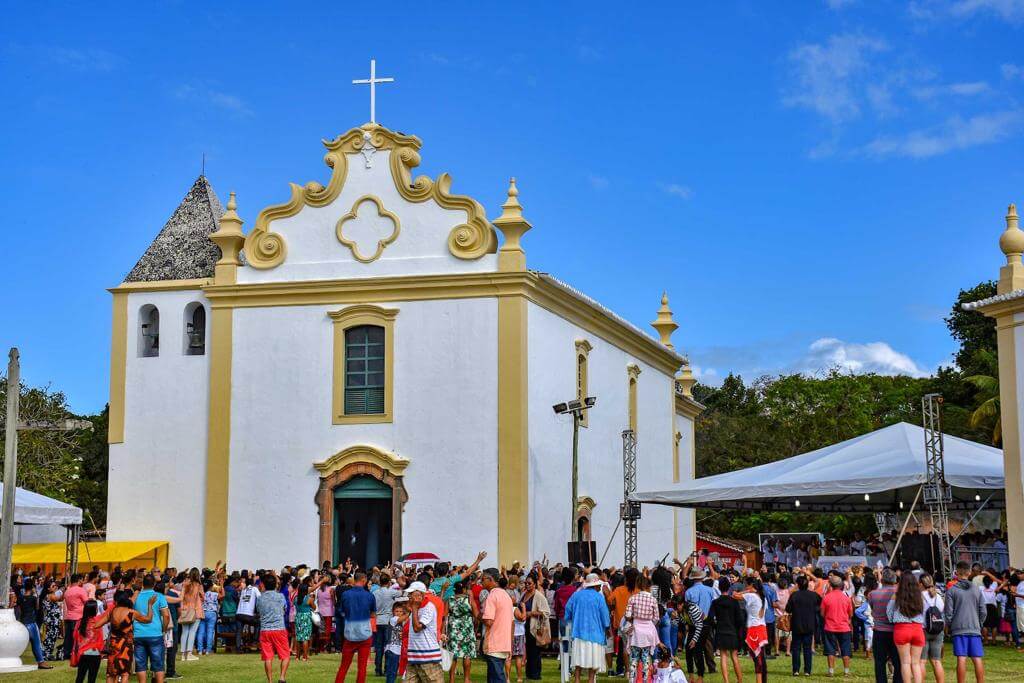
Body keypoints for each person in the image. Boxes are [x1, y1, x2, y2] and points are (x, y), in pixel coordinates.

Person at [563, 573, 611, 683]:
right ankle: (590, 680)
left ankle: (577, 680)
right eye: (598, 585)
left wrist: (570, 618)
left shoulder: (576, 595)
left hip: (579, 631)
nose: (599, 587)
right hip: (595, 633)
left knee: (578, 659)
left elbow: (568, 610)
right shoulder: (599, 597)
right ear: (594, 585)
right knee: (594, 660)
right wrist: (607, 628)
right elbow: (605, 616)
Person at [945, 561, 986, 683]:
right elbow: (983, 611)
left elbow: (948, 613)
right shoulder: (977, 590)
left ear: (956, 573)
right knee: (977, 658)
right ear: (969, 573)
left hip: (958, 628)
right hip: (974, 627)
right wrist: (979, 623)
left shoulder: (951, 591)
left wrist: (950, 625)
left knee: (961, 658)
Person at [108, 589, 158, 683]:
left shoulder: (111, 612)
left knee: (111, 672)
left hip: (113, 645)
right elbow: (148, 619)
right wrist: (150, 605)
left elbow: (96, 625)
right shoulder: (131, 612)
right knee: (125, 673)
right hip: (126, 646)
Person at [336, 571, 377, 683]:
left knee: (344, 667)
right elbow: (373, 615)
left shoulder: (346, 594)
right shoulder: (370, 596)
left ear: (354, 580)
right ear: (364, 580)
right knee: (362, 668)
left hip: (350, 633)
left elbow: (341, 611)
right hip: (365, 634)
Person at [888, 573, 926, 683]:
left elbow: (889, 615)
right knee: (916, 663)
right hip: (917, 629)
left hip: (901, 629)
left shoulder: (896, 596)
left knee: (905, 662)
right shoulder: (920, 596)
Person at [133, 573, 171, 683]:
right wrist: (163, 629)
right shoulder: (159, 596)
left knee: (140, 664)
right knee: (158, 664)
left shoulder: (137, 597)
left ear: (143, 584)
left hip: (139, 634)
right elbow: (166, 616)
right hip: (155, 633)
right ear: (154, 584)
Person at [406, 580, 444, 683]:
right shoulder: (417, 608)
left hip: (428, 657)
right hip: (414, 656)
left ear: (420, 595)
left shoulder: (429, 608)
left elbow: (417, 628)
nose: (409, 596)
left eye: (411, 594)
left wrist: (414, 608)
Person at [868, 568, 902, 683]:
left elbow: (872, 608)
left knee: (879, 662)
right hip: (895, 630)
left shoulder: (873, 594)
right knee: (898, 661)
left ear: (882, 580)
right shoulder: (899, 593)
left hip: (879, 631)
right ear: (894, 580)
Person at [624, 574, 660, 683]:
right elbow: (657, 618)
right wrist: (649, 623)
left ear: (638, 585)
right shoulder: (653, 599)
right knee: (646, 658)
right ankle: (645, 680)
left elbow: (627, 615)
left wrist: (633, 620)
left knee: (634, 658)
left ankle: (631, 680)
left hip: (636, 630)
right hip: (648, 630)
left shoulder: (633, 598)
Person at [480, 568, 514, 683]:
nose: (481, 581)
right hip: (503, 642)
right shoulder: (505, 595)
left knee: (497, 679)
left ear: (490, 580)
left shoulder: (492, 596)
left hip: (494, 643)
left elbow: (489, 621)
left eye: (483, 579)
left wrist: (479, 615)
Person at [709, 577, 746, 683]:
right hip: (732, 631)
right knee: (734, 656)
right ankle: (739, 680)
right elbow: (740, 619)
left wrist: (716, 626)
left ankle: (726, 681)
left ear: (719, 588)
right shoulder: (734, 602)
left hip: (721, 631)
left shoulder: (715, 602)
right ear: (729, 587)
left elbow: (711, 618)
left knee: (723, 656)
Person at [257, 574, 291, 683]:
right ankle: (282, 677)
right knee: (285, 654)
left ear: (264, 585)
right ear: (275, 584)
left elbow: (258, 611)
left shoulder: (260, 598)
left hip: (265, 630)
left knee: (268, 657)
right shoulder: (280, 596)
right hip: (279, 628)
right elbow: (285, 609)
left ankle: (270, 681)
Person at [734, 576, 769, 683]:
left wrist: (747, 590)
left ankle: (759, 681)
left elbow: (735, 595)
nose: (745, 587)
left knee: (757, 658)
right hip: (762, 628)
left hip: (754, 629)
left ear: (751, 585)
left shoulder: (751, 595)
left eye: (746, 585)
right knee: (760, 658)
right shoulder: (763, 597)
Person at [787, 573, 821, 677]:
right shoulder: (813, 595)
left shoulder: (794, 595)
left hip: (797, 624)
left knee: (796, 648)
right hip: (810, 624)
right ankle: (807, 671)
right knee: (807, 648)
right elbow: (820, 604)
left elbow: (788, 609)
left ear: (798, 584)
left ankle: (796, 670)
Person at [821, 574, 853, 677]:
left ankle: (831, 671)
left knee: (830, 650)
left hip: (830, 626)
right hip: (844, 627)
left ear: (831, 585)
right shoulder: (846, 598)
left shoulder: (826, 598)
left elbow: (822, 613)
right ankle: (846, 671)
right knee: (846, 649)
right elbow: (850, 614)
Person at [447, 580, 478, 683]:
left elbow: (445, 616)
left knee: (453, 655)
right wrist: (476, 628)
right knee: (467, 654)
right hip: (467, 629)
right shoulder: (469, 600)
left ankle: (451, 680)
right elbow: (476, 615)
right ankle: (466, 679)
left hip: (453, 630)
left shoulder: (449, 600)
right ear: (464, 589)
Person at [17, 578, 52, 669]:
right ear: (32, 587)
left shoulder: (21, 597)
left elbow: (20, 608)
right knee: (36, 643)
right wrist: (36, 594)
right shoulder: (33, 598)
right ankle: (41, 662)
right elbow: (37, 608)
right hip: (31, 623)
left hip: (23, 623)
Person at [521, 574, 550, 681]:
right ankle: (529, 674)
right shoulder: (524, 594)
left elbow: (546, 613)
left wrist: (530, 613)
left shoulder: (539, 596)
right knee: (528, 651)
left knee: (535, 652)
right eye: (526, 583)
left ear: (535, 584)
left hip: (535, 628)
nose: (527, 585)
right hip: (525, 627)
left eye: (529, 583)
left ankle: (535, 675)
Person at [72, 600, 107, 683]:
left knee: (80, 677)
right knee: (92, 679)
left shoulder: (79, 622)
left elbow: (74, 636)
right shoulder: (98, 620)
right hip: (95, 653)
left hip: (82, 653)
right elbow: (108, 613)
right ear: (95, 610)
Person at [373, 571, 401, 673]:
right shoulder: (391, 591)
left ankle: (378, 669)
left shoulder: (375, 592)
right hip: (388, 620)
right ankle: (387, 669)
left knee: (379, 647)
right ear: (388, 582)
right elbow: (402, 592)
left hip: (378, 620)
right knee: (388, 646)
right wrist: (394, 583)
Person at [919, 574, 945, 683]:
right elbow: (942, 610)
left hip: (923, 630)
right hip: (938, 630)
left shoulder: (919, 597)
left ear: (921, 584)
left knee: (921, 662)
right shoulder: (938, 596)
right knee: (936, 661)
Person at [178, 569, 203, 662]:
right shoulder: (198, 585)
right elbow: (202, 597)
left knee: (185, 632)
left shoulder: (185, 584)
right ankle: (189, 653)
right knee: (192, 632)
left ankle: (183, 654)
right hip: (196, 610)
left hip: (185, 609)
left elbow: (181, 596)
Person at [63, 573, 88, 660]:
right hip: (78, 617)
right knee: (77, 637)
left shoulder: (67, 591)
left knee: (68, 637)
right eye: (82, 580)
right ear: (79, 580)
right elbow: (87, 603)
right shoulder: (81, 590)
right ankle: (77, 653)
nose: (82, 581)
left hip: (68, 616)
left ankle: (66, 654)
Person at [385, 598, 409, 683]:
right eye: (396, 611)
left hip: (398, 650)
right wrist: (409, 611)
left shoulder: (403, 622)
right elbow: (402, 618)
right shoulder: (393, 619)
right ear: (393, 612)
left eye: (400, 611)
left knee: (394, 671)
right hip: (392, 650)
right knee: (392, 671)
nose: (398, 613)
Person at [237, 576, 261, 653]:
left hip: (239, 614)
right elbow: (260, 598)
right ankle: (254, 641)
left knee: (239, 631)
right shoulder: (255, 589)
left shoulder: (243, 590)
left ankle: (238, 648)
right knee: (258, 623)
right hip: (248, 615)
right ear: (253, 583)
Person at [197, 578, 221, 656]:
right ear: (211, 587)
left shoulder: (201, 593)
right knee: (210, 632)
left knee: (201, 632)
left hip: (202, 612)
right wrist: (222, 585)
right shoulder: (214, 594)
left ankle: (200, 650)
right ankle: (208, 650)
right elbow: (223, 595)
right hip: (212, 613)